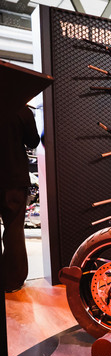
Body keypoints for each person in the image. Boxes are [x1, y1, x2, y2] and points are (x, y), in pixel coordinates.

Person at [0, 105, 40, 293]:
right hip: (13, 177)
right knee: (14, 229)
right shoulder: (21, 108)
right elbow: (33, 141)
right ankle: (12, 281)